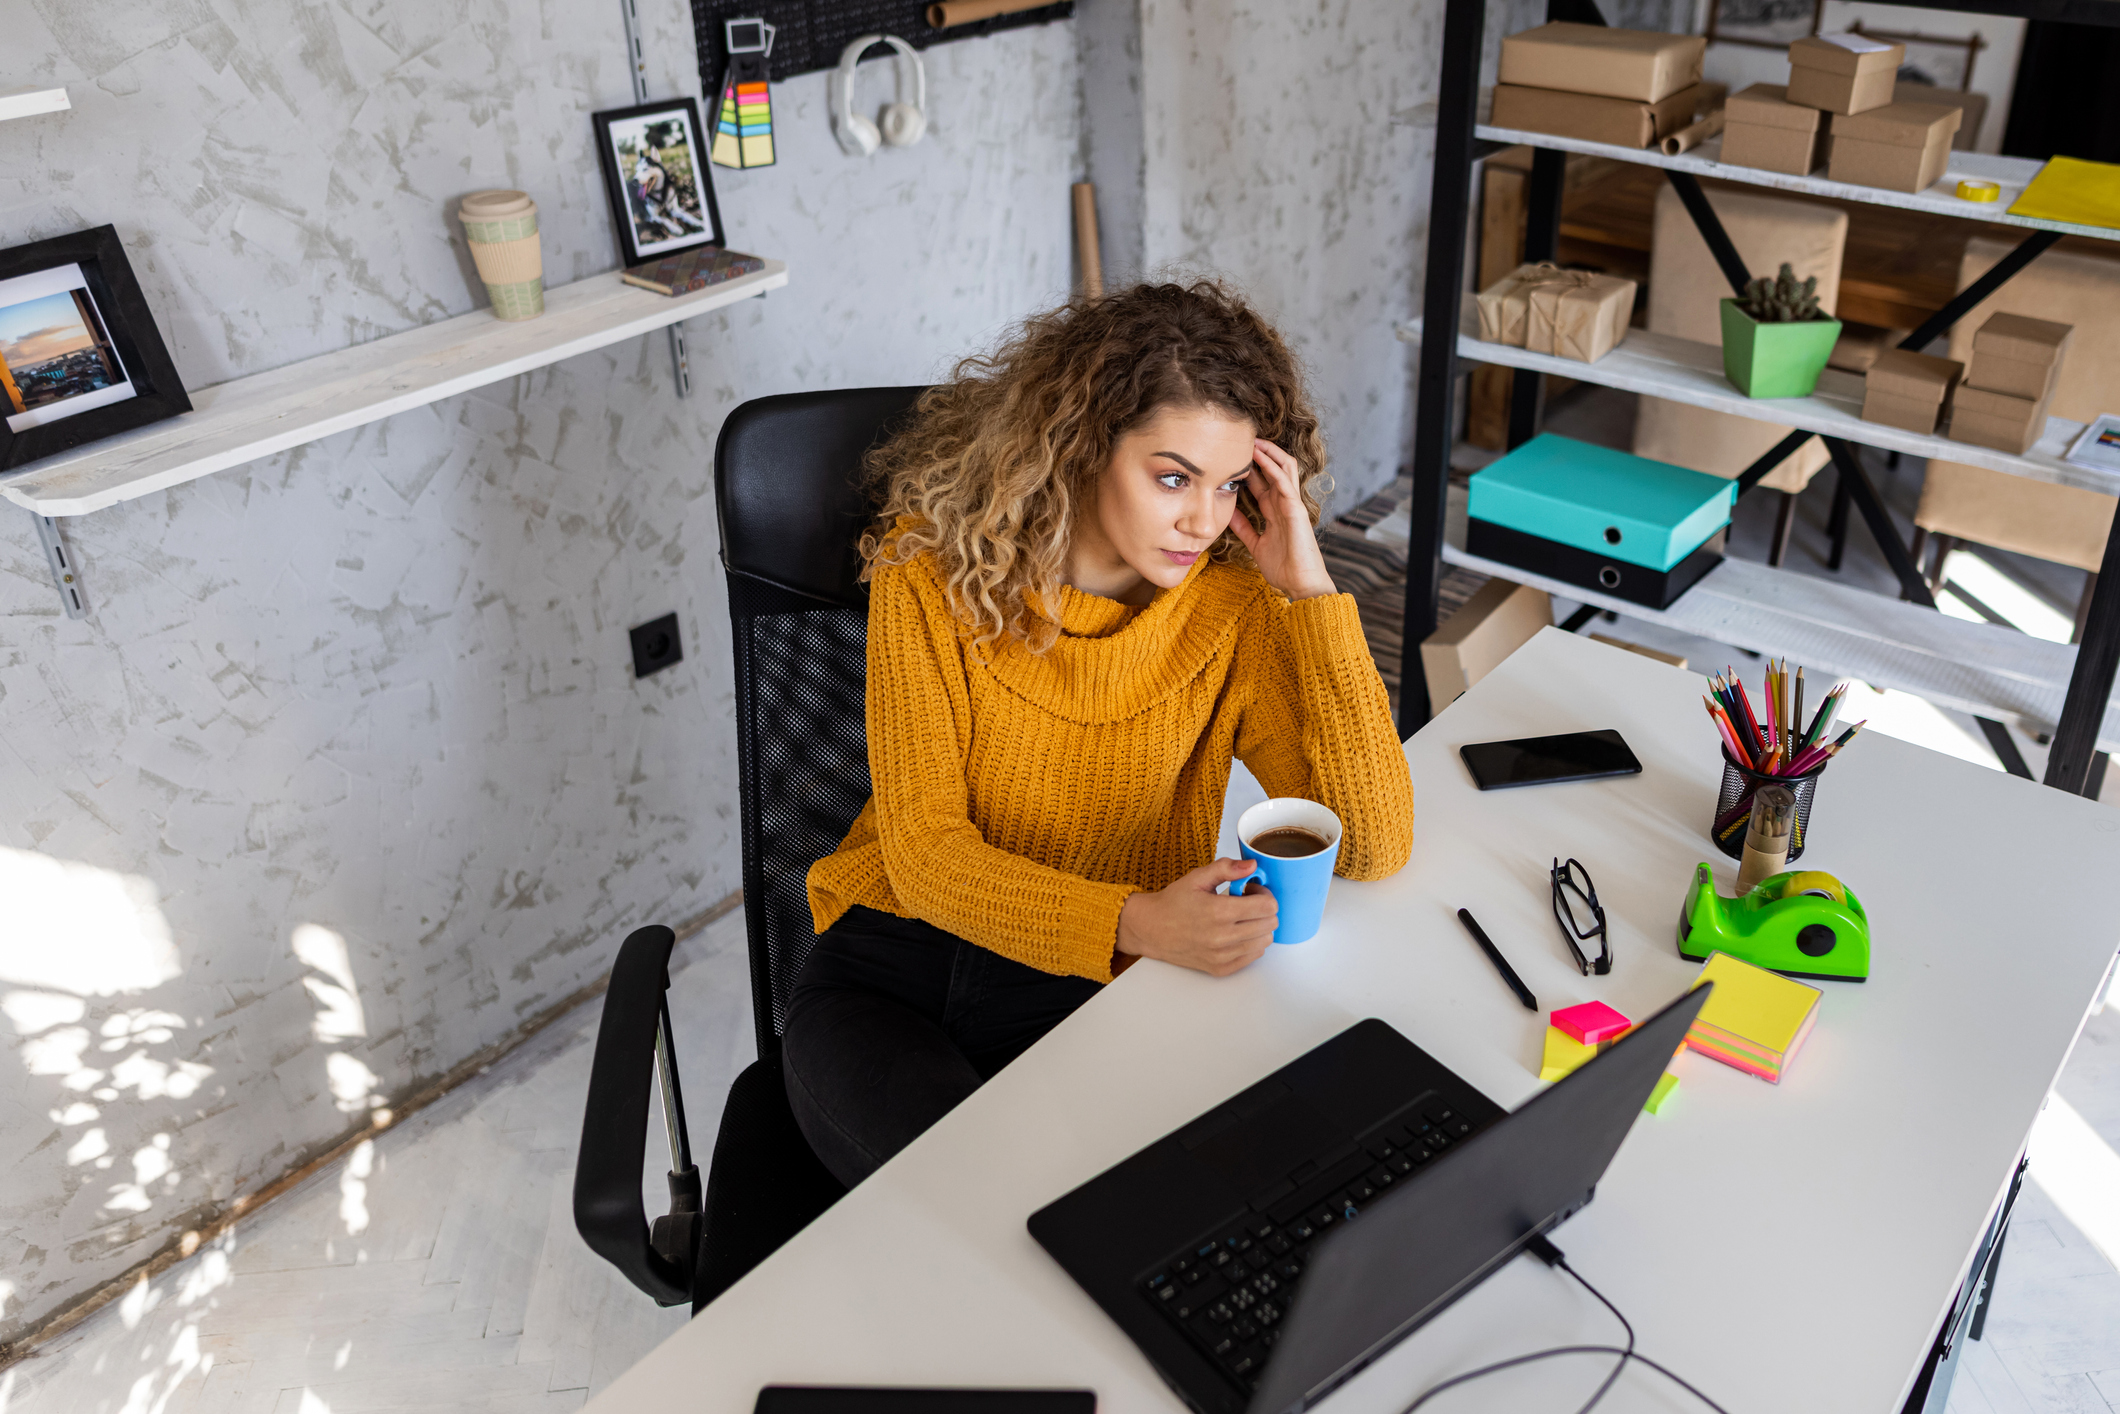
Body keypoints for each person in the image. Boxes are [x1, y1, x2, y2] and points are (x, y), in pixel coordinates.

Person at [785, 281, 1415, 1186]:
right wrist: (1135, 920)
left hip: (1093, 989)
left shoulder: (1231, 605)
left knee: (1127, 1217)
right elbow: (922, 853)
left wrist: (1310, 595)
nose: (1203, 520)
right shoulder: (927, 572)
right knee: (976, 1206)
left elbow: (1373, 843)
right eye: (1172, 477)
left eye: (1230, 484)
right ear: (1081, 447)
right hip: (900, 965)